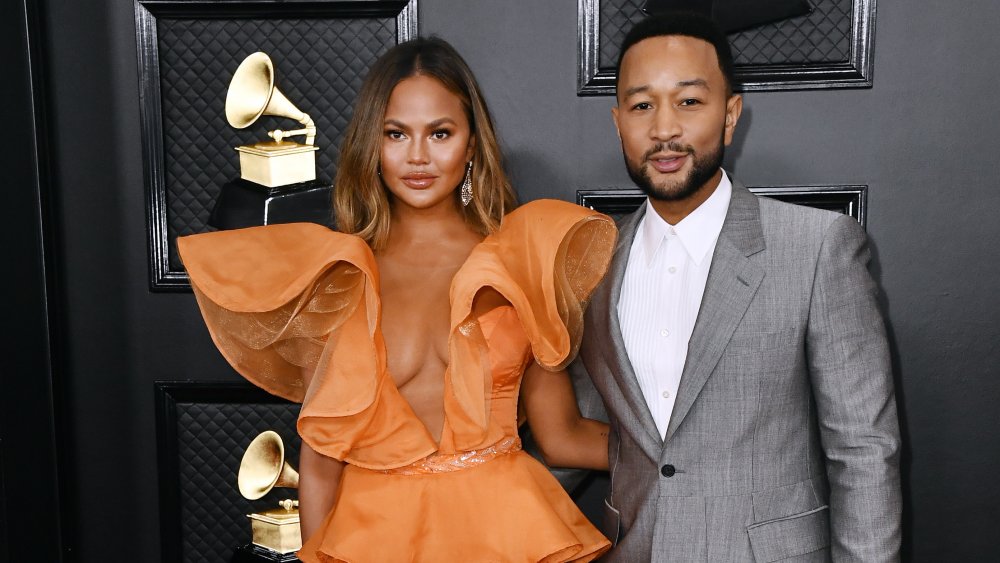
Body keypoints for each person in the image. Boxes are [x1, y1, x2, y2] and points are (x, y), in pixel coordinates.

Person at [178, 37, 616, 562]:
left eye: (440, 133)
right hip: (373, 539)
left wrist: (688, 451)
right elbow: (319, 466)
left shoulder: (519, 262)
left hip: (504, 531)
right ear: (374, 144)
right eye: (396, 134)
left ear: (472, 143)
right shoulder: (342, 274)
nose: (417, 156)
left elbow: (562, 437)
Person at [570, 13, 903, 561]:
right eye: (641, 105)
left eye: (689, 102)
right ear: (618, 121)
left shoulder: (818, 247)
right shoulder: (592, 265)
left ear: (730, 116)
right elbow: (588, 428)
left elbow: (864, 449)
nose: (664, 130)